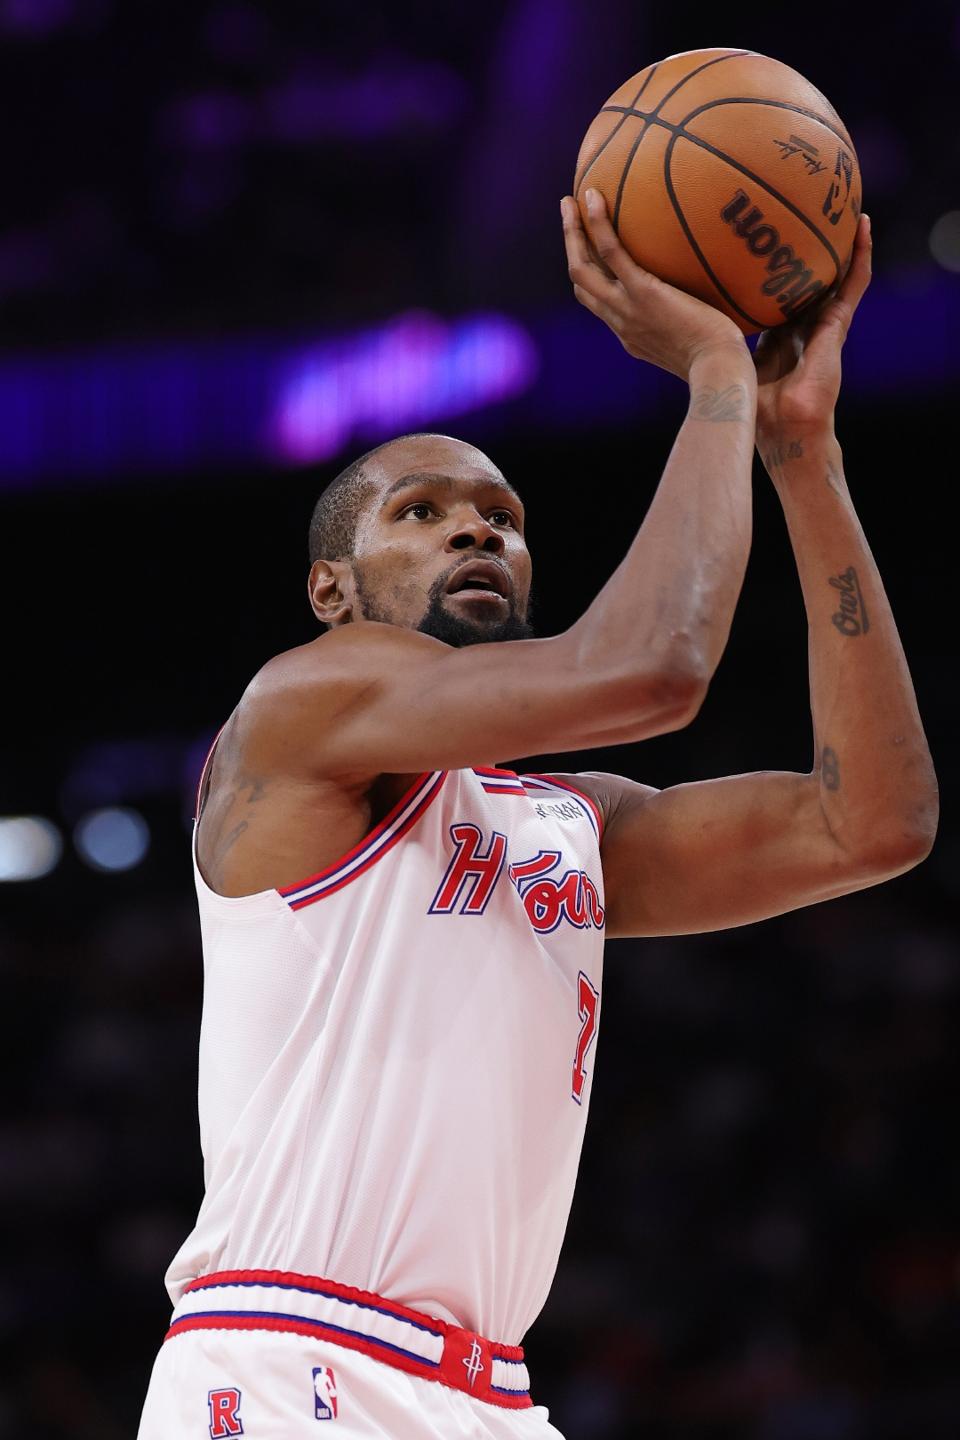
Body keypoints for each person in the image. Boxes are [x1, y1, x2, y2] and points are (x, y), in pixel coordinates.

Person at [136, 190, 937, 1439]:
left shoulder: (565, 825)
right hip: (289, 1360)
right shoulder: (299, 706)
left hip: (492, 1391)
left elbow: (872, 825)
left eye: (504, 519)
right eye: (424, 512)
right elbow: (653, 670)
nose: (477, 528)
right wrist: (715, 376)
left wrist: (803, 456)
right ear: (332, 589)